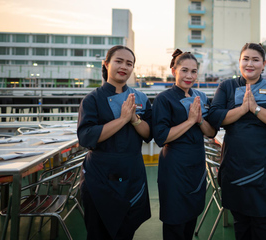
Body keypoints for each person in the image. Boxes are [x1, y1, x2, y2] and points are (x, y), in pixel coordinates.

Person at [208, 43, 266, 240]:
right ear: (239, 62)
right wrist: (242, 109)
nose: (250, 63)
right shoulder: (227, 87)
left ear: (263, 64)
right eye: (245, 59)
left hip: (265, 164)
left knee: (265, 223)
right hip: (235, 163)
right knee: (242, 224)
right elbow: (215, 116)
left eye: (255, 60)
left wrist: (256, 109)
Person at [77, 45, 152, 240]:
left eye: (129, 63)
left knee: (126, 231)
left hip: (132, 173)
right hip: (99, 177)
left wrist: (134, 119)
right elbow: (86, 137)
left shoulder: (141, 98)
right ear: (106, 64)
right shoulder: (91, 100)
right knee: (99, 233)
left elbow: (148, 134)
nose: (124, 67)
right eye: (119, 61)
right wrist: (122, 119)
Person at [152, 49, 216, 240]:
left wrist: (200, 121)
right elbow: (161, 138)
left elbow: (211, 132)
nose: (189, 76)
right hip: (174, 166)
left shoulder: (201, 97)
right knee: (174, 222)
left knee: (191, 217)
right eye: (184, 70)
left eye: (194, 71)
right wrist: (189, 121)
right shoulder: (164, 99)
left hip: (197, 163)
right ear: (174, 71)